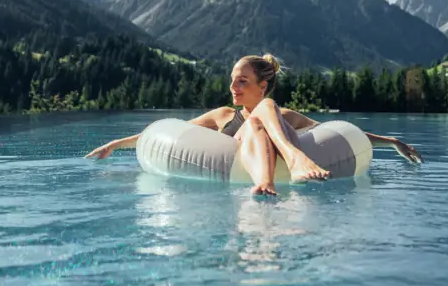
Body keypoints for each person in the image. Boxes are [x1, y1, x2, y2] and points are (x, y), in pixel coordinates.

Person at [85, 53, 423, 195]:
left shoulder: (284, 115)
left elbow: (339, 133)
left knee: (266, 111)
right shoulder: (221, 117)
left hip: (272, 175)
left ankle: (276, 173)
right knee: (260, 117)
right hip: (238, 172)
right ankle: (282, 168)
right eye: (233, 80)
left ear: (262, 84)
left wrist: (391, 141)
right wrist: (116, 145)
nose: (234, 87)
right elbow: (169, 133)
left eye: (242, 81)